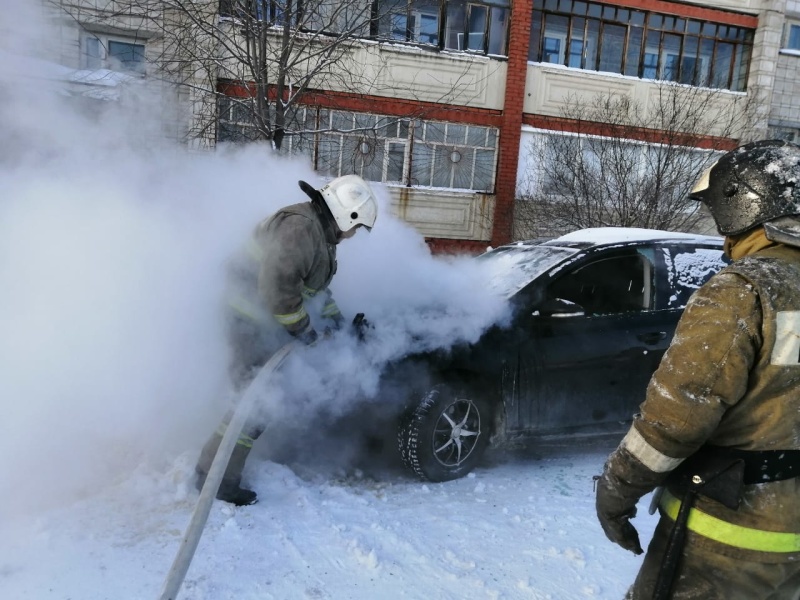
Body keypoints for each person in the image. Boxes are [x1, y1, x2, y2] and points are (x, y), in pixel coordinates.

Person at [595, 139, 800, 599]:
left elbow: (677, 416)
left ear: (742, 203)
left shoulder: (743, 289)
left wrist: (616, 489)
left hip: (724, 538)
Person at [195, 174, 379, 506]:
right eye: (355, 227)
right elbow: (278, 291)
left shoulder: (320, 234)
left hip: (263, 321)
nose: (353, 235)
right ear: (345, 215)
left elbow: (314, 290)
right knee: (253, 403)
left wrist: (337, 321)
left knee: (256, 403)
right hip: (247, 319)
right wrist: (304, 331)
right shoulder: (300, 229)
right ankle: (215, 478)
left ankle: (214, 470)